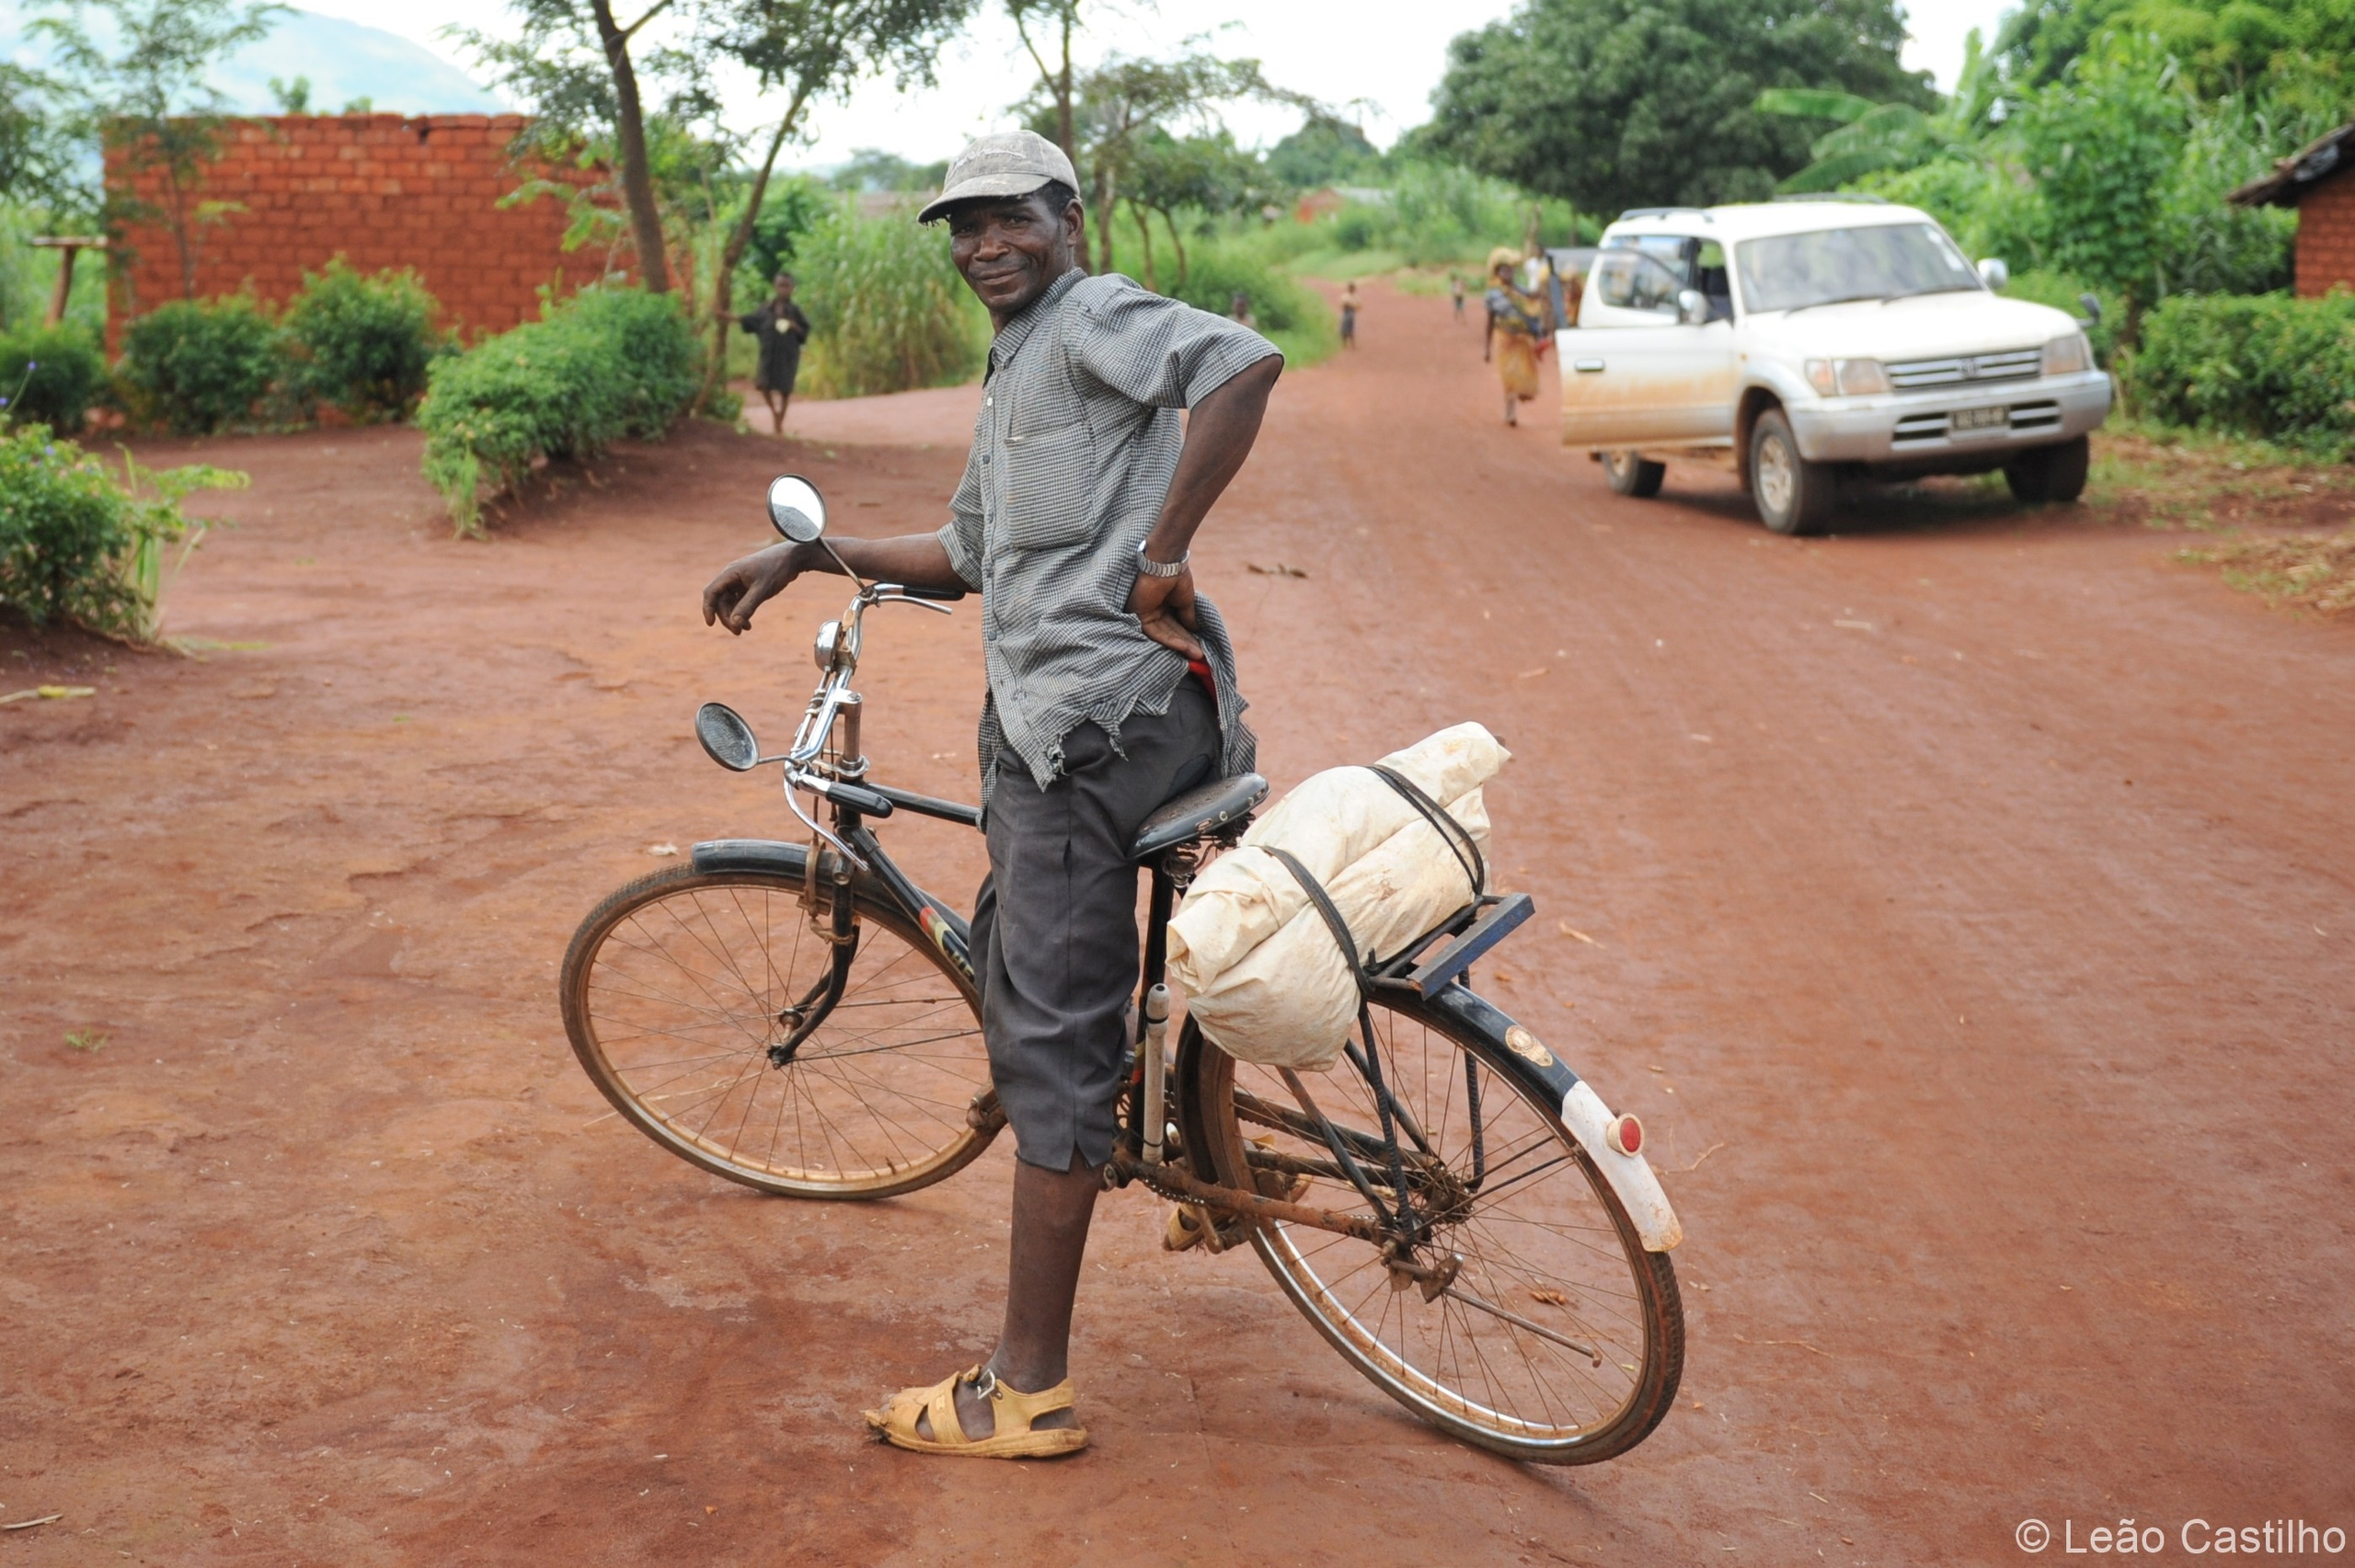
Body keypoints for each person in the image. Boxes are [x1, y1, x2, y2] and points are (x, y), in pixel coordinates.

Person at [699, 130, 1283, 1460]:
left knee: (1051, 1042)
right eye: (963, 228)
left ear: (1066, 216)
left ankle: (1026, 1389)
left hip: (1083, 729)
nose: (983, 246)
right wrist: (809, 555)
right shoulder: (1020, 358)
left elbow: (1242, 364)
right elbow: (965, 551)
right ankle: (1210, 1162)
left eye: (1009, 218)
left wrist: (1163, 550)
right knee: (1053, 947)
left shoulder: (1089, 316)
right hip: (1147, 713)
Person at [736, 272, 811, 436]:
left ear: (792, 288)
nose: (784, 289)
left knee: (785, 388)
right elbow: (749, 320)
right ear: (775, 286)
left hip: (788, 354)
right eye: (781, 285)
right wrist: (728, 317)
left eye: (787, 286)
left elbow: (805, 332)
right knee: (764, 384)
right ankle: (774, 413)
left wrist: (794, 326)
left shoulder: (795, 311)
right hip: (769, 353)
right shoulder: (766, 309)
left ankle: (779, 420)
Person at [1483, 246, 1545, 427]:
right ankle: (1510, 411)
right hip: (1504, 338)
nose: (1508, 273)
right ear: (1497, 272)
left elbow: (1533, 298)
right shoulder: (1493, 294)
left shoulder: (1519, 290)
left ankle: (1520, 395)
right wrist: (1486, 348)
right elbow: (1489, 322)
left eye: (1511, 270)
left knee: (1524, 378)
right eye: (1505, 270)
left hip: (1522, 340)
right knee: (1509, 376)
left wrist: (1545, 285)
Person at [1338, 279, 1361, 348]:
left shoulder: (1355, 297)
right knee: (1344, 328)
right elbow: (1342, 305)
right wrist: (1347, 305)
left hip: (1351, 312)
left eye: (1352, 288)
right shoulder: (1345, 296)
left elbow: (1359, 306)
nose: (1351, 289)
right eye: (1350, 288)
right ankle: (1345, 343)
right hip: (1346, 312)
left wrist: (1351, 305)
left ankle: (1351, 344)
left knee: (1350, 328)